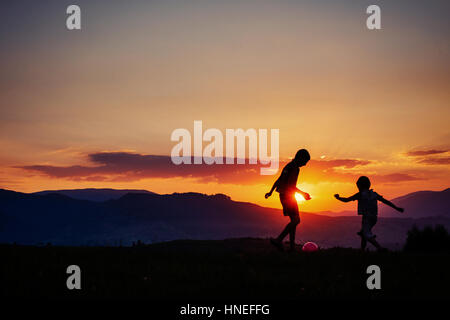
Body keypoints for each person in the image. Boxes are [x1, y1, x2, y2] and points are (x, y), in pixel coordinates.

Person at [334, 176, 404, 251]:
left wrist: (338, 198)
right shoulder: (374, 194)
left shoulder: (360, 194)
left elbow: (346, 200)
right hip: (374, 218)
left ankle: (380, 248)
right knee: (363, 234)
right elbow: (386, 201)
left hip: (366, 218)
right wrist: (396, 208)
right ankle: (362, 250)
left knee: (366, 234)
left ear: (360, 185)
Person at [265, 149, 311, 252]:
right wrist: (303, 194)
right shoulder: (295, 168)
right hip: (288, 197)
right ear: (300, 158)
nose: (305, 164)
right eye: (305, 161)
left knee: (293, 221)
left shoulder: (288, 166)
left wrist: (270, 192)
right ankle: (279, 240)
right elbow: (291, 186)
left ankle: (292, 247)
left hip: (283, 196)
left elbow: (278, 180)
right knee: (296, 220)